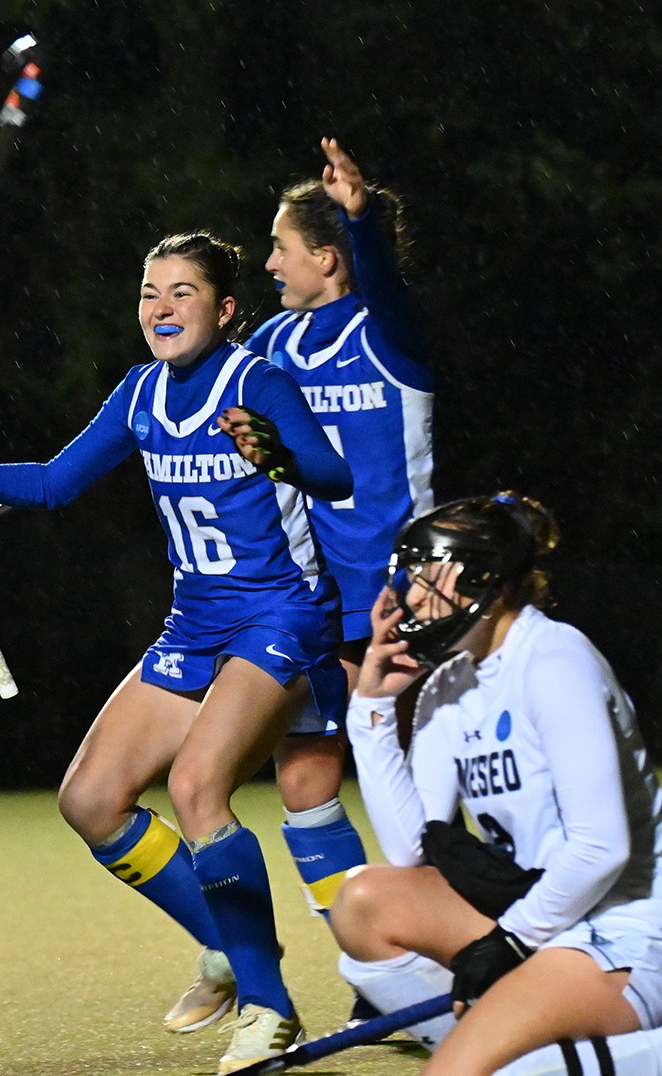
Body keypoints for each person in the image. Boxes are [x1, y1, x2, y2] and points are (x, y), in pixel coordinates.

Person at [0, 232, 352, 1072]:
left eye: (182, 292)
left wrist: (278, 451)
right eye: (150, 292)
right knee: (91, 799)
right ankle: (227, 941)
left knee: (195, 785)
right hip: (196, 624)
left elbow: (333, 474)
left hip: (279, 616)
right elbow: (55, 482)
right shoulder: (140, 393)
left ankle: (269, 1006)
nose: (162, 308)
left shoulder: (258, 381)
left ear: (225, 308)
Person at [327, 493, 662, 1076]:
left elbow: (601, 848)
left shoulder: (554, 661)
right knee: (365, 903)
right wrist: (369, 713)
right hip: (543, 922)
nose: (411, 594)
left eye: (428, 575)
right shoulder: (450, 683)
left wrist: (507, 943)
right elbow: (409, 852)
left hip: (624, 936)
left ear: (482, 579)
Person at [246, 138, 435, 947]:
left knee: (418, 780)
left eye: (281, 250)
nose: (268, 265)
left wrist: (366, 225)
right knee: (302, 776)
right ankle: (375, 961)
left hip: (403, 589)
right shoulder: (275, 347)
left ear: (326, 258)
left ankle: (454, 946)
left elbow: (385, 289)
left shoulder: (390, 336)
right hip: (318, 601)